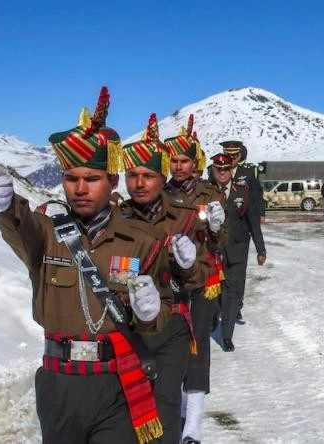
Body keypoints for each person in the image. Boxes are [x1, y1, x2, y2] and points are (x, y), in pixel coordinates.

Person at [0, 86, 173, 443]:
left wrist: (150, 313)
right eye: (71, 179)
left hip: (118, 382)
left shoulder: (143, 241)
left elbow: (163, 310)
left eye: (92, 179)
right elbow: (20, 224)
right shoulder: (47, 233)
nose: (80, 189)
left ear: (112, 181)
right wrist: (5, 206)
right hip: (60, 385)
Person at [119, 113, 219, 443]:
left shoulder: (185, 216)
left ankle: (191, 424)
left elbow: (206, 263)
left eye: (148, 175)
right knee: (125, 411)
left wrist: (193, 261)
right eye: (132, 175)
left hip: (173, 318)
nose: (139, 183)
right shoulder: (116, 217)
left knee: (165, 404)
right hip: (127, 325)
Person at [163, 115, 227, 444]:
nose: (178, 166)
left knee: (198, 342)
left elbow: (223, 240)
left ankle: (193, 423)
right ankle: (176, 404)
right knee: (172, 341)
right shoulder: (160, 193)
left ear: (194, 163)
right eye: (173, 160)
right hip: (170, 278)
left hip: (203, 278)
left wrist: (217, 227)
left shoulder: (210, 193)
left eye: (183, 161)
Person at [210, 152, 267, 353]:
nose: (222, 173)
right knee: (215, 291)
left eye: (226, 169)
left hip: (237, 250)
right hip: (213, 251)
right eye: (219, 170)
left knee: (232, 293)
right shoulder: (206, 192)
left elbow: (253, 222)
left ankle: (226, 336)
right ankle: (213, 318)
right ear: (214, 171)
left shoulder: (242, 191)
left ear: (231, 171)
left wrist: (260, 249)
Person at [220, 141, 265, 223]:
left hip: (242, 216)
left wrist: (261, 213)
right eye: (228, 155)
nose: (231, 158)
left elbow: (257, 194)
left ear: (240, 156)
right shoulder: (215, 171)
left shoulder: (249, 172)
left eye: (235, 155)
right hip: (221, 216)